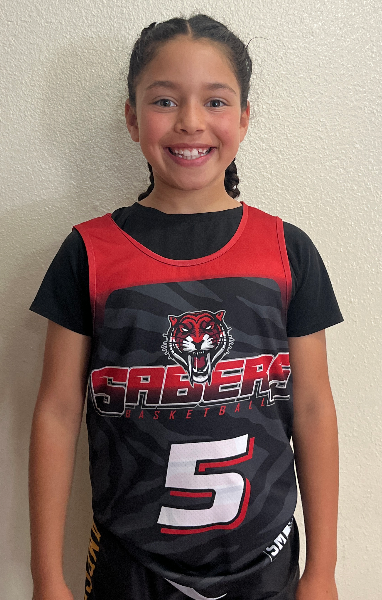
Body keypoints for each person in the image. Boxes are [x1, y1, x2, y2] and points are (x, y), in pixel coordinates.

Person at [29, 15, 342, 600]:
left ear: (244, 117)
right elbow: (57, 411)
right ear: (132, 118)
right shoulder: (89, 253)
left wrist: (321, 570)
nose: (191, 122)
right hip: (130, 569)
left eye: (215, 101)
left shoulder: (287, 250)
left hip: (266, 565)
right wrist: (47, 577)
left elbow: (313, 407)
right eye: (165, 100)